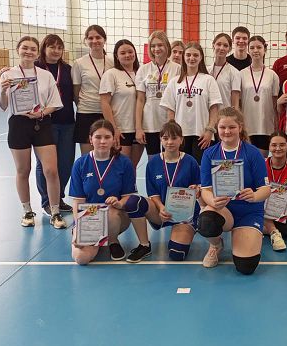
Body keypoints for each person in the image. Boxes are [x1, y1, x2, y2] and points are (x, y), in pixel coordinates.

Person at [0, 36, 66, 229]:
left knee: (51, 170)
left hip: (41, 122)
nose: (28, 52)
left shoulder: (45, 75)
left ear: (37, 52)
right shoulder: (7, 75)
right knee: (23, 170)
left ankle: (55, 212)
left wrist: (41, 113)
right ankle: (27, 211)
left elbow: (55, 103)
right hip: (18, 124)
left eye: (33, 49)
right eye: (25, 48)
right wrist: (3, 91)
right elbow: (2, 106)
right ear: (18, 49)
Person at [69, 120, 157, 264]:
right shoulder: (80, 164)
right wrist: (79, 227)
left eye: (107, 137)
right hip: (88, 218)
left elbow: (128, 196)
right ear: (90, 139)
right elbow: (78, 201)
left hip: (116, 216)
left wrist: (119, 203)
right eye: (98, 137)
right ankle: (95, 238)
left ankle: (113, 241)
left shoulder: (124, 162)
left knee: (110, 212)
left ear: (113, 139)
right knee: (81, 258)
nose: (102, 141)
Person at [198, 107, 271, 274]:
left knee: (246, 267)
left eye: (232, 127)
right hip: (223, 209)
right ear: (217, 128)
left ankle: (243, 234)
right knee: (206, 221)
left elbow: (266, 189)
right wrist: (212, 201)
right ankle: (216, 245)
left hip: (248, 211)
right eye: (222, 127)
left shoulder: (253, 153)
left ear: (240, 127)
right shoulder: (209, 154)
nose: (227, 131)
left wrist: (254, 195)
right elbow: (205, 190)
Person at [145, 121, 202, 262]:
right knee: (138, 203)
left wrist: (196, 190)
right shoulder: (153, 163)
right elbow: (152, 193)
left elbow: (199, 189)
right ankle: (143, 245)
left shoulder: (190, 161)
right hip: (162, 212)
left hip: (185, 214)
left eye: (174, 138)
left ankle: (186, 230)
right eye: (165, 138)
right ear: (160, 139)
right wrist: (161, 208)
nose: (169, 142)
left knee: (177, 254)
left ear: (181, 140)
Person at [161, 42, 223, 164]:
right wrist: (173, 133)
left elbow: (214, 108)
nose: (191, 58)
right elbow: (170, 110)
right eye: (188, 55)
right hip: (180, 135)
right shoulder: (175, 82)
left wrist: (210, 130)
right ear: (184, 57)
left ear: (201, 57)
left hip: (202, 135)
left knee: (201, 169)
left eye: (195, 55)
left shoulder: (208, 80)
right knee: (182, 168)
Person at [34, 34, 75, 214]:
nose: (56, 51)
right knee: (46, 165)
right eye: (52, 47)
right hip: (45, 123)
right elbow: (18, 75)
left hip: (67, 122)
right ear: (44, 48)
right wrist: (6, 71)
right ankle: (47, 202)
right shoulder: (35, 67)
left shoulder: (67, 69)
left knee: (65, 163)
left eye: (59, 47)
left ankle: (58, 198)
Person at [134, 31, 182, 157]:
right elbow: (140, 100)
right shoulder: (143, 69)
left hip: (170, 121)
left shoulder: (177, 68)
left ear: (167, 46)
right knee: (153, 159)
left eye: (160, 45)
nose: (156, 48)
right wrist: (138, 128)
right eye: (153, 46)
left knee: (172, 157)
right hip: (150, 122)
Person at [100, 39, 144, 169]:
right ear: (117, 56)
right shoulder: (111, 74)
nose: (127, 55)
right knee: (120, 168)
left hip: (139, 128)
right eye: (123, 53)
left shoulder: (141, 73)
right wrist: (114, 129)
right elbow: (104, 103)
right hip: (122, 129)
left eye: (130, 52)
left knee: (132, 168)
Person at [72, 25, 114, 154]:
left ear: (104, 39)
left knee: (107, 154)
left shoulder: (112, 62)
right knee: (87, 156)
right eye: (90, 38)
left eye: (98, 37)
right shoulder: (79, 63)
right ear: (86, 40)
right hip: (86, 113)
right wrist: (86, 104)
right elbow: (76, 91)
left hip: (107, 113)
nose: (94, 41)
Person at [239, 35, 280, 156]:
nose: (255, 50)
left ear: (265, 49)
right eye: (252, 48)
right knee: (247, 160)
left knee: (262, 161)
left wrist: (277, 125)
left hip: (265, 126)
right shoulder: (241, 74)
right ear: (248, 50)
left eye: (259, 47)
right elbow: (238, 102)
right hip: (247, 125)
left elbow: (275, 103)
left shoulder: (272, 75)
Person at [263, 131, 287, 251]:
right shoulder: (261, 165)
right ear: (269, 147)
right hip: (263, 210)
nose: (278, 148)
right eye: (274, 145)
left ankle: (261, 227)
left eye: (282, 145)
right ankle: (274, 232)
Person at [210, 33, 241, 108]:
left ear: (229, 49)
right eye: (218, 44)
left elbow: (235, 105)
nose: (221, 48)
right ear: (213, 45)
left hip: (225, 114)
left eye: (225, 45)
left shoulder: (234, 73)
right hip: (207, 113)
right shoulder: (206, 71)